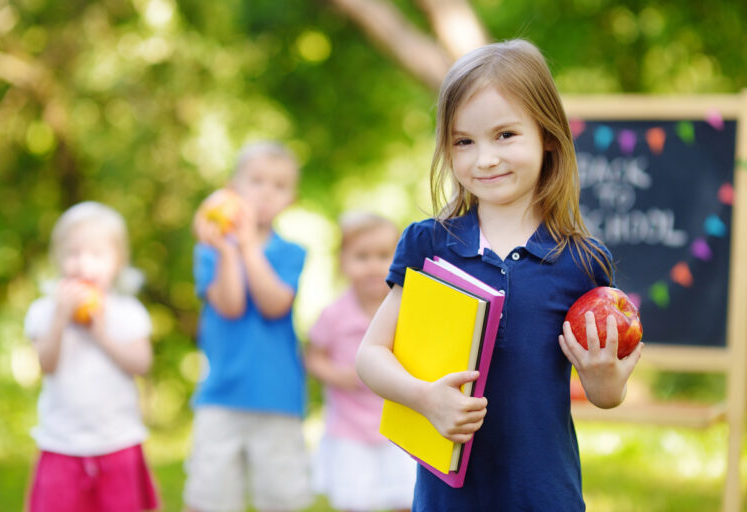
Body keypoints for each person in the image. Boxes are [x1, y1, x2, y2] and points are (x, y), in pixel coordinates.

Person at [355, 39, 644, 511]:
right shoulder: (429, 244)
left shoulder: (584, 260)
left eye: (505, 135)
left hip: (545, 496)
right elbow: (371, 355)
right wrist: (425, 398)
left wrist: (607, 379)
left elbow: (605, 395)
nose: (484, 158)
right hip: (449, 498)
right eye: (463, 141)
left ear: (548, 134)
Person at [183, 141, 312, 512]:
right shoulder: (209, 250)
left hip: (277, 396)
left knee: (281, 498)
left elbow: (274, 305)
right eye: (256, 181)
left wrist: (249, 247)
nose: (266, 192)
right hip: (221, 394)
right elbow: (231, 305)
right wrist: (228, 250)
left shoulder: (291, 252)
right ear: (232, 188)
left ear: (292, 198)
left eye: (279, 185)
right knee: (210, 497)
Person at [24, 201, 158, 512]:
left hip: (117, 440)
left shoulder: (127, 312)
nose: (83, 265)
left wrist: (102, 335)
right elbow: (46, 364)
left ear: (118, 262)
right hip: (62, 442)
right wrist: (59, 319)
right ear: (58, 258)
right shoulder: (44, 312)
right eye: (73, 254)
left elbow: (142, 363)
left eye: (97, 255)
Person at [306, 212, 416, 512]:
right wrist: (337, 375)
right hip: (349, 428)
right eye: (361, 257)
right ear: (343, 262)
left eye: (383, 256)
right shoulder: (334, 314)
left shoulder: (406, 310)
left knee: (406, 498)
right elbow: (314, 356)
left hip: (398, 424)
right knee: (356, 501)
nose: (372, 266)